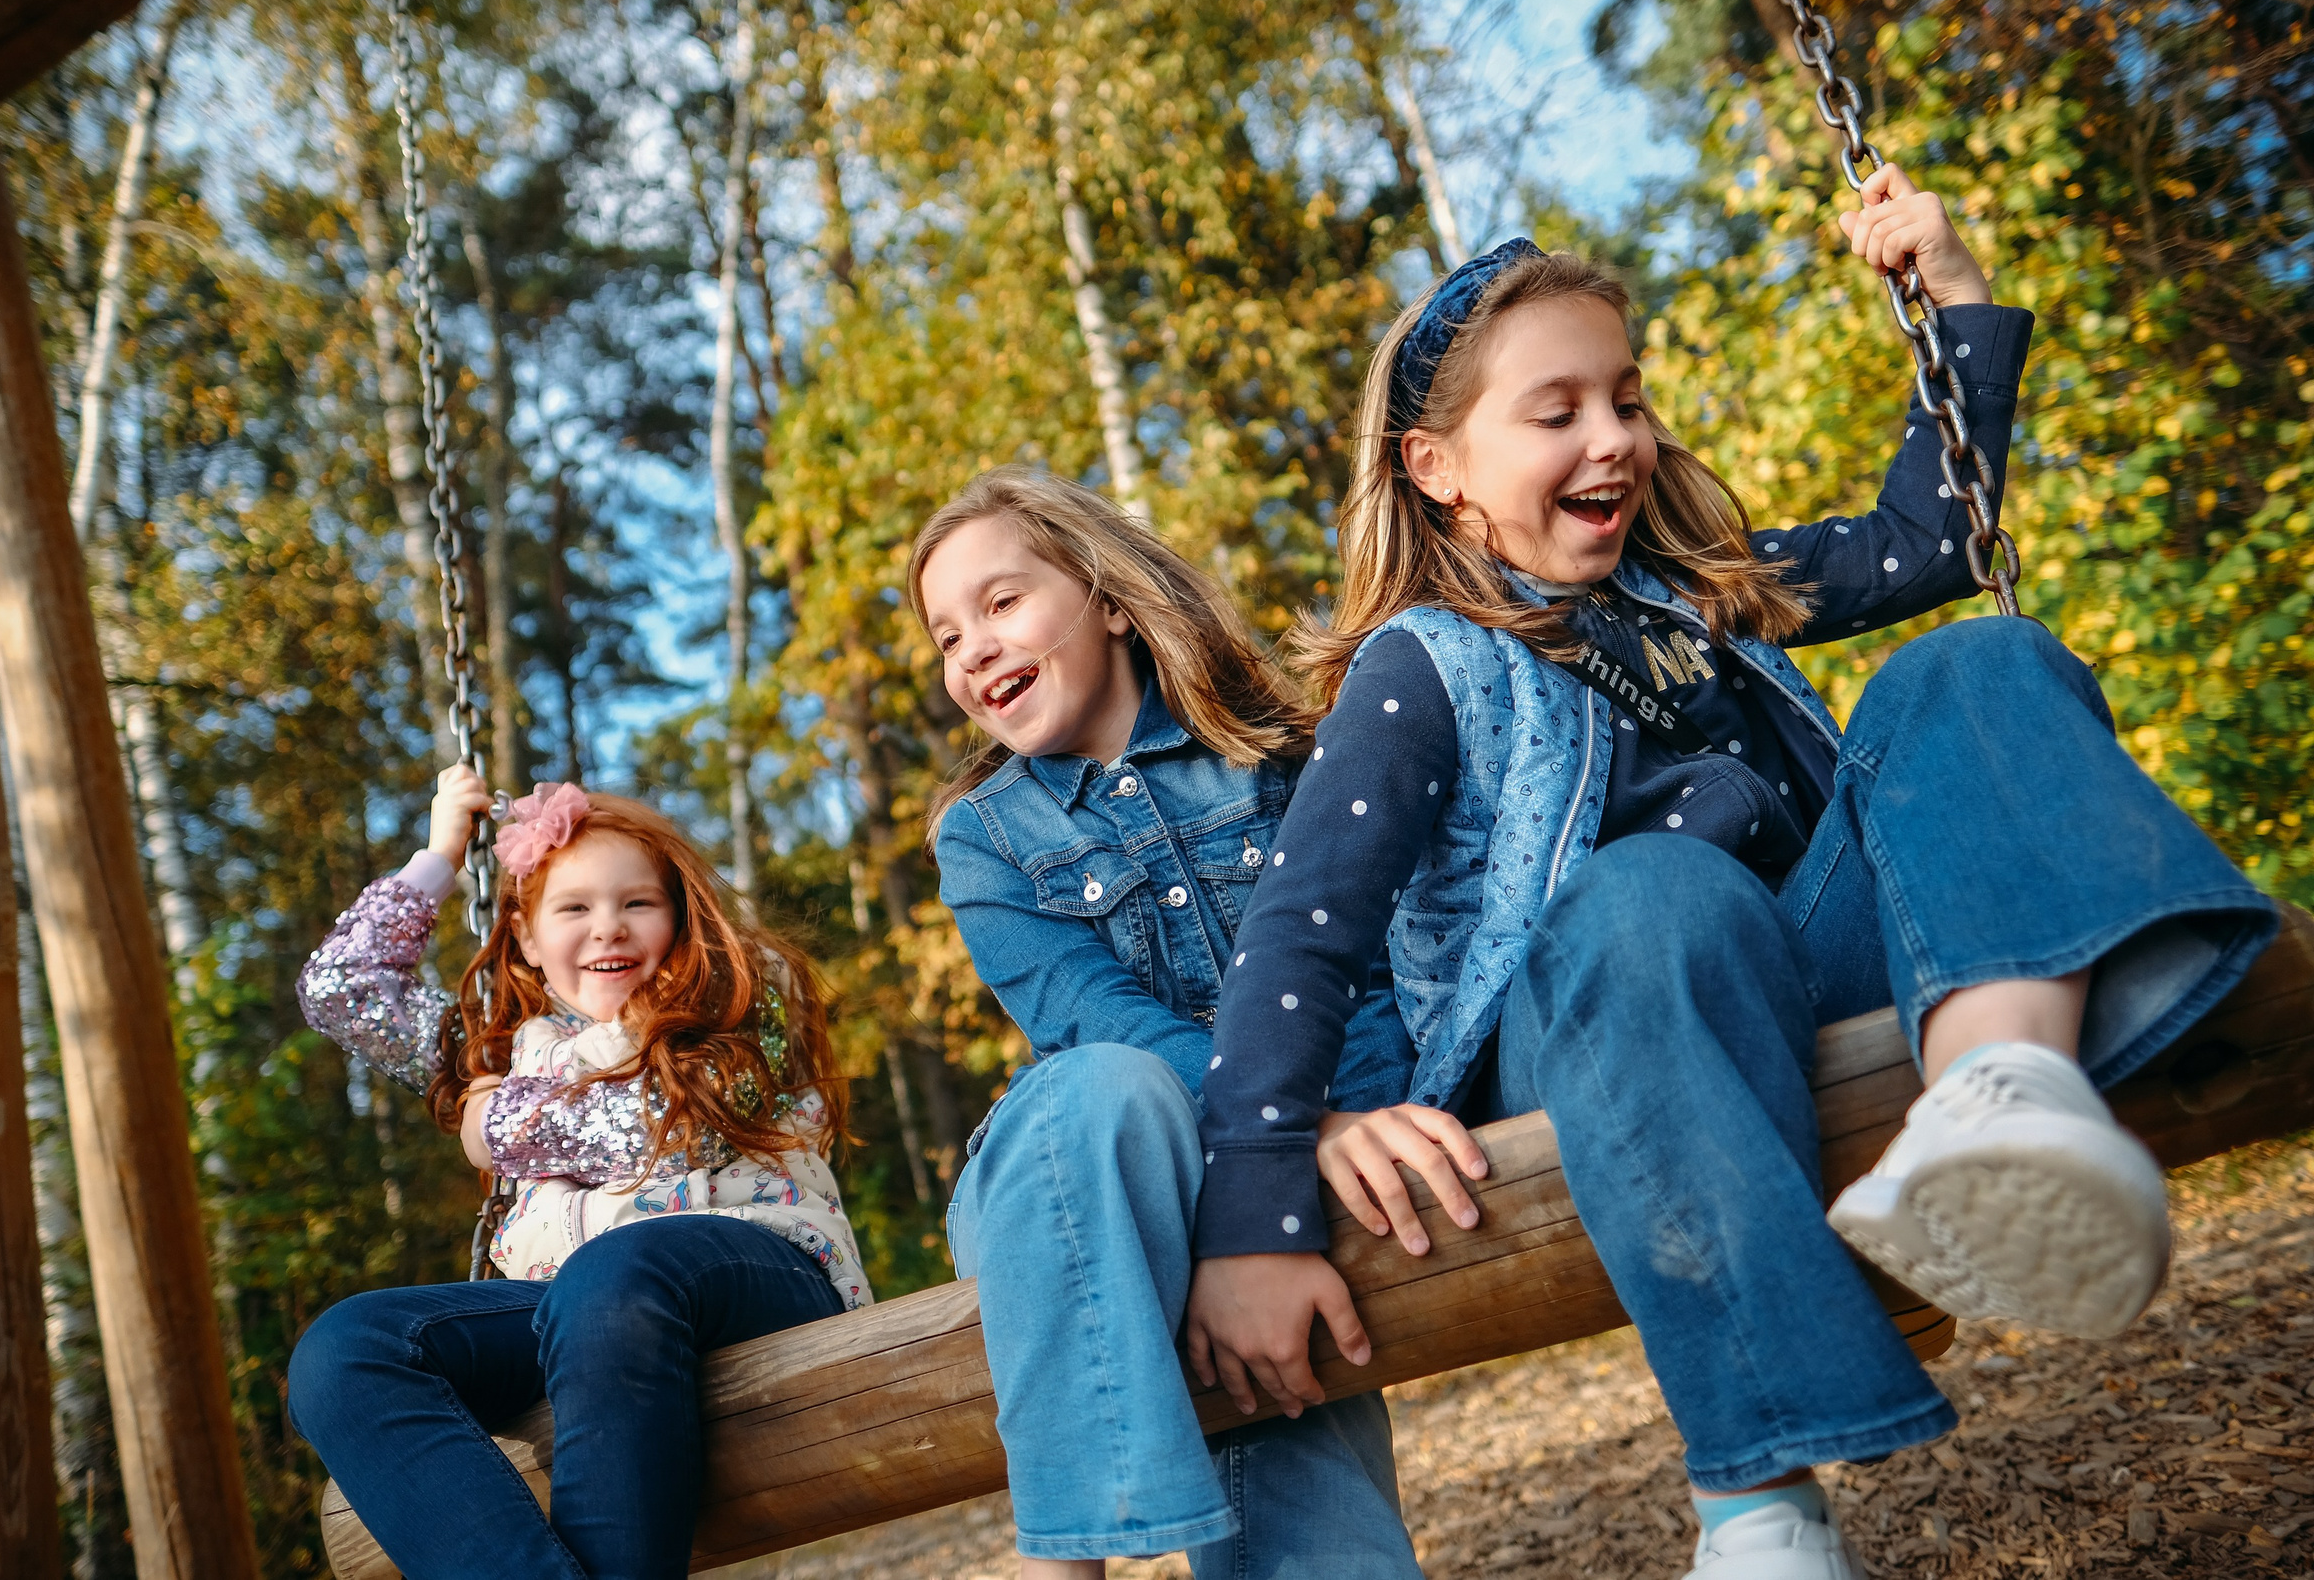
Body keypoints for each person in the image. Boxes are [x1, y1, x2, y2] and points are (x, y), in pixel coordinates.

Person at [1179, 169, 2279, 1580]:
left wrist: (1949, 288)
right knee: (1654, 893)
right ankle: (1762, 1503)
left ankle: (2004, 1093)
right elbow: (1302, 934)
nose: (1614, 437)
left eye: (1626, 398)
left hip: (1816, 961)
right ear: (1434, 466)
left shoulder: (1697, 583)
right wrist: (1255, 1209)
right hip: (1613, 1019)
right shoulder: (1422, 668)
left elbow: (1933, 543)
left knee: (1972, 662)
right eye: (1557, 410)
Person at [917, 468, 1478, 1580]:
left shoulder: (1279, 751)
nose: (970, 649)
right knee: (1106, 1084)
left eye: (999, 603)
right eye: (944, 637)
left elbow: (1365, 975)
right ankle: (1066, 1564)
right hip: (1074, 1189)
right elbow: (1089, 1020)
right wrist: (1292, 1128)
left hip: (1239, 1196)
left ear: (1109, 598)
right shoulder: (983, 838)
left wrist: (1324, 1136)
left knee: (1305, 1476)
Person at [288, 771, 869, 1580]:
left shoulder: (740, 994)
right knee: (347, 1350)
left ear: (679, 913)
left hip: (756, 1261)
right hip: (572, 1306)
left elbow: (668, 1124)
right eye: (575, 908)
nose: (609, 929)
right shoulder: (501, 1040)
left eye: (638, 903)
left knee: (612, 1276)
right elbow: (338, 988)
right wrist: (438, 855)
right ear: (525, 935)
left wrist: (493, 1122)